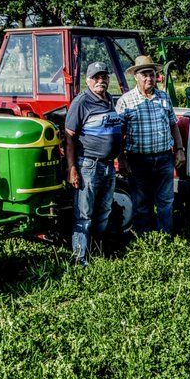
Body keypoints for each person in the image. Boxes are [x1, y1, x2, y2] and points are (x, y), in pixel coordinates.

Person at [116, 55, 186, 234]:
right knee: (141, 202)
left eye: (152, 74)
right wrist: (122, 160)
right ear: (136, 77)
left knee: (166, 201)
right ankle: (145, 238)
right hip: (138, 160)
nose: (149, 78)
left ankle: (165, 235)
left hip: (164, 158)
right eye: (145, 74)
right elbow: (118, 134)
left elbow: (173, 125)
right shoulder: (126, 101)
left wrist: (179, 150)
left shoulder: (164, 98)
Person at [65, 61, 124, 266]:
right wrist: (72, 168)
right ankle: (80, 258)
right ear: (88, 80)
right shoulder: (81, 102)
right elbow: (70, 136)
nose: (101, 81)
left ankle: (97, 251)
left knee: (104, 211)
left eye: (104, 77)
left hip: (108, 165)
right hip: (88, 165)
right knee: (84, 213)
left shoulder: (111, 100)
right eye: (96, 77)